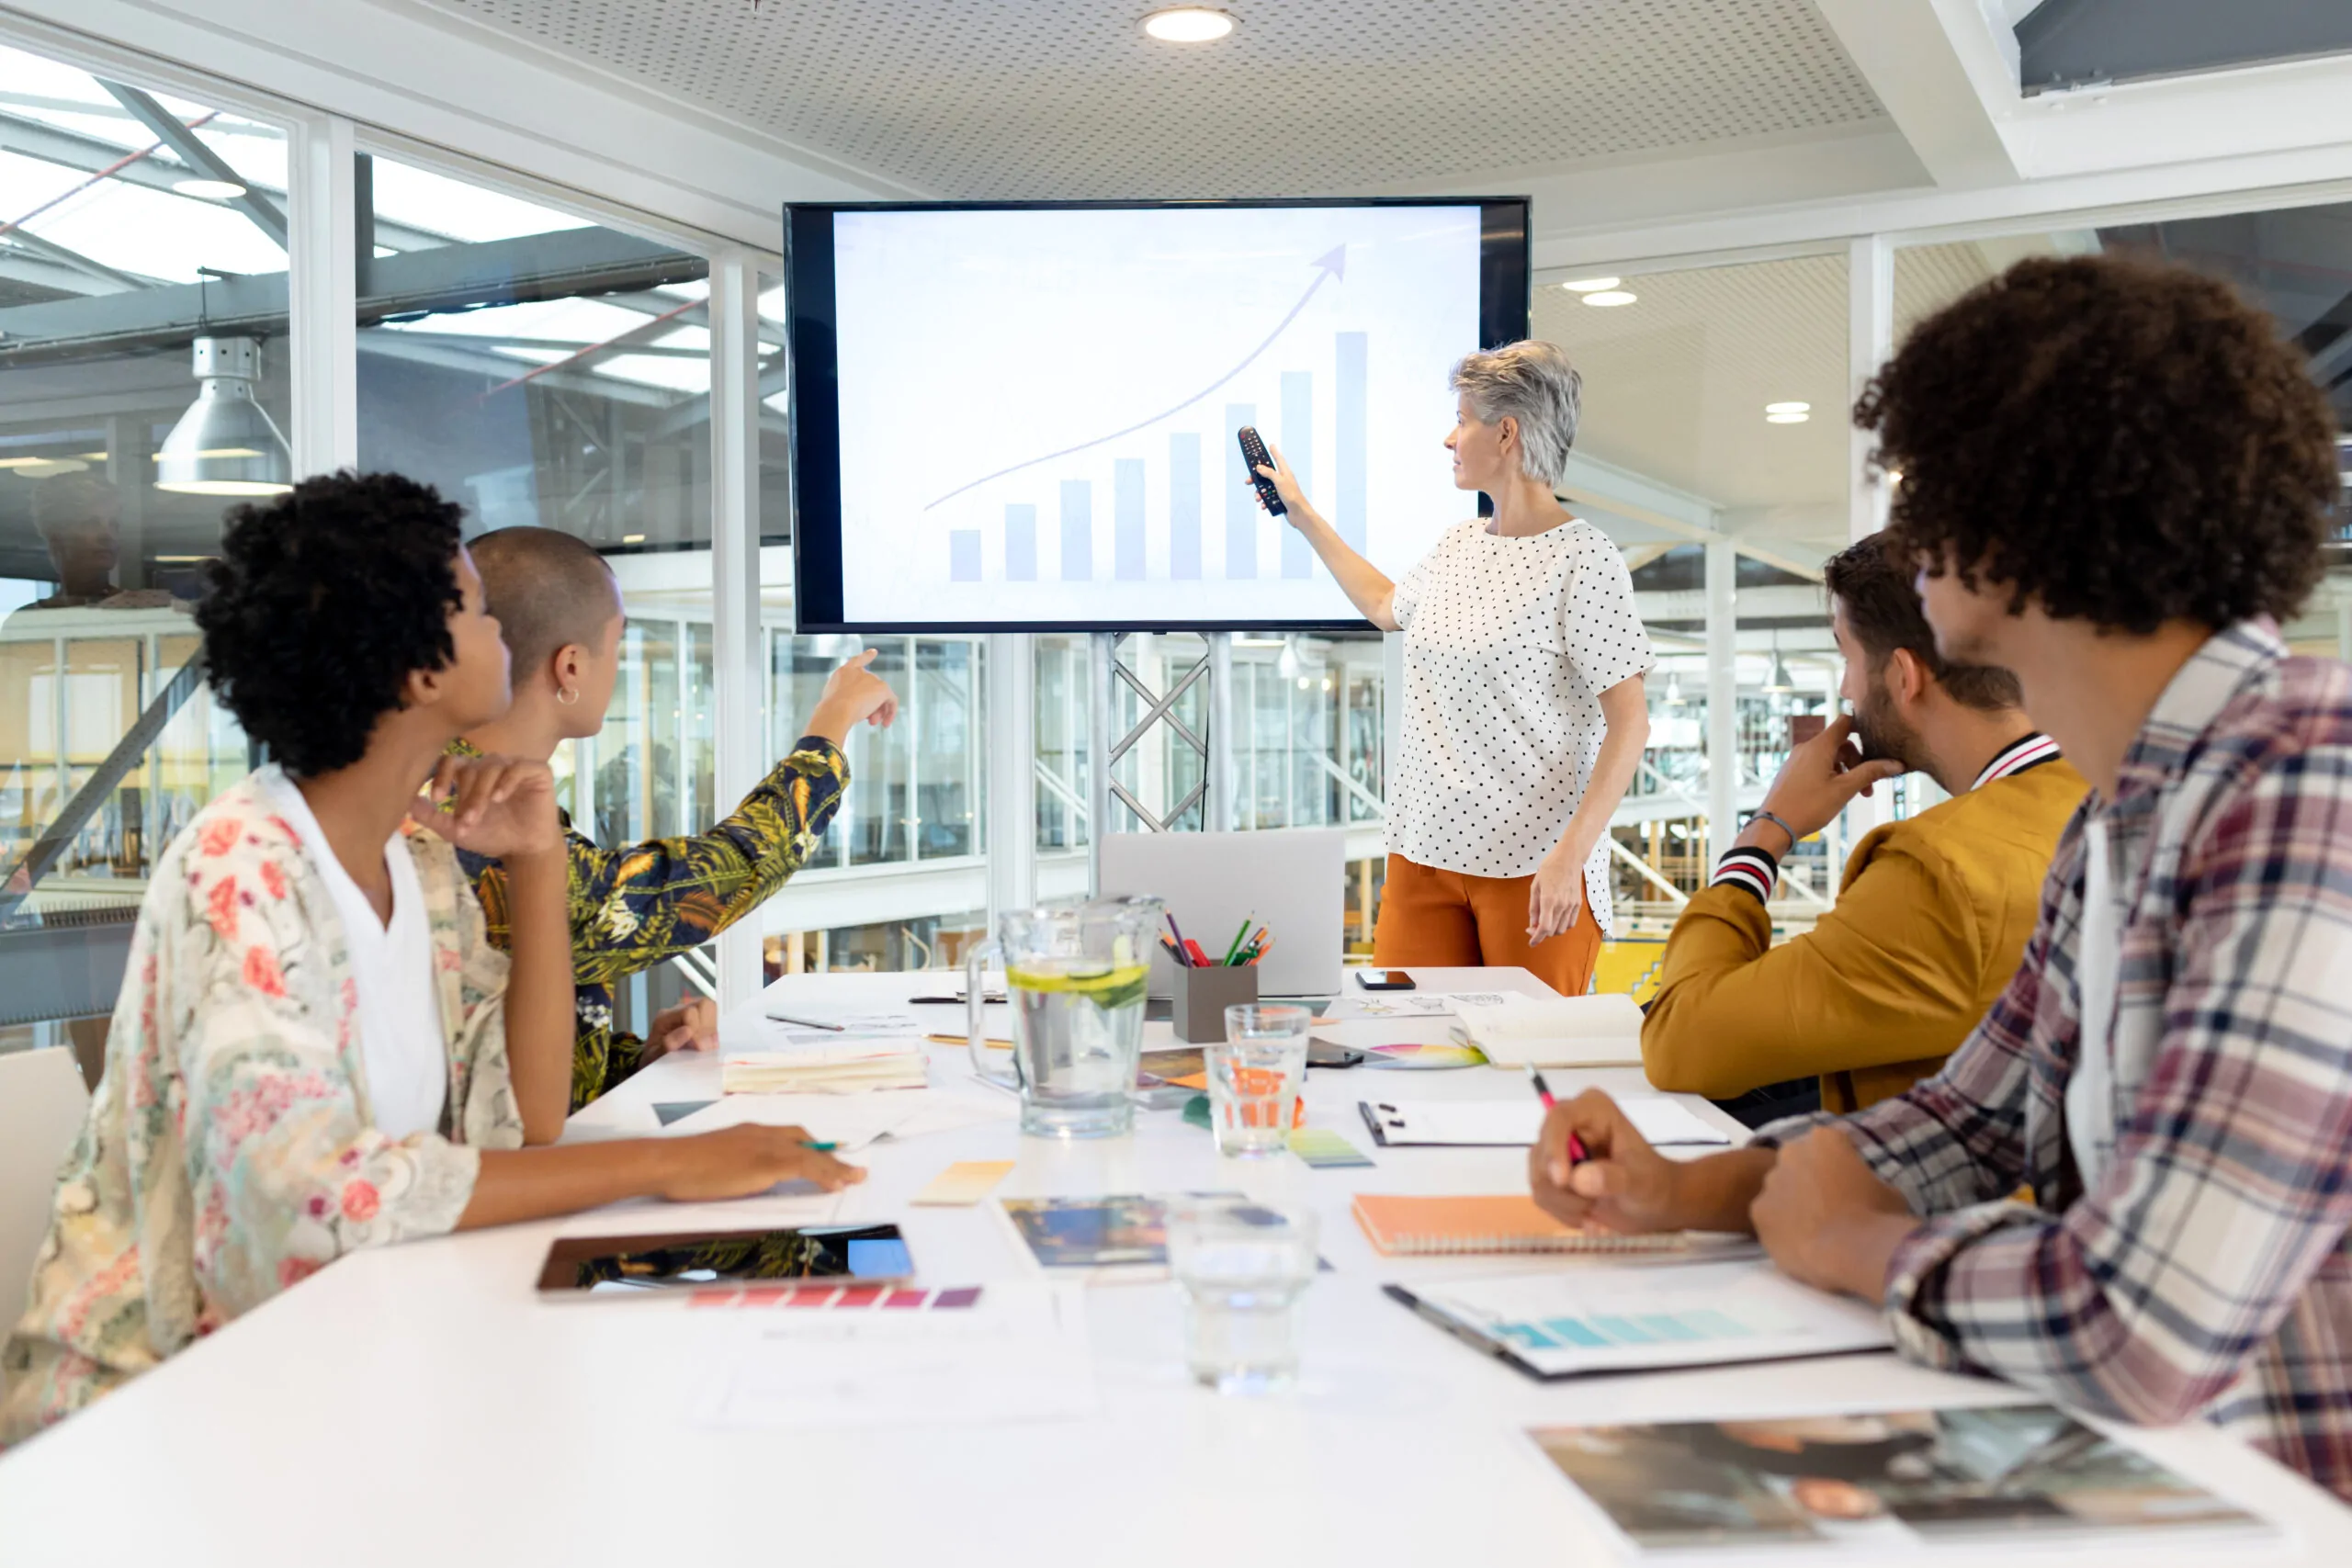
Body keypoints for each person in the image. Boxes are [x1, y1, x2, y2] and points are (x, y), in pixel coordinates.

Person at [1529, 255, 2352, 1500]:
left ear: (2012, 531)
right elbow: (1968, 1122)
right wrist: (1683, 1188)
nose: (1910, 551)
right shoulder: (2123, 809)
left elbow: (2142, 1331)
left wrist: (1864, 1249)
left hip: (2271, 1505)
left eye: (1929, 500)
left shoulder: (2302, 786)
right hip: (2158, 1480)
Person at [1, 473, 863, 1445]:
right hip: (154, 1418)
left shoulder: (420, 863)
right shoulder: (239, 871)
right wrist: (669, 1164)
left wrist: (537, 859)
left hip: (352, 1367)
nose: (501, 632)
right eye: (477, 610)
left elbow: (527, 1116)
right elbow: (322, 1198)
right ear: (419, 671)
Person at [1643, 533, 2086, 1121]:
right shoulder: (2102, 793)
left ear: (1904, 675)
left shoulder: (1941, 870)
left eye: (1847, 658)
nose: (1846, 690)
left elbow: (1681, 1040)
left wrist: (1765, 833)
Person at [452, 525, 898, 1109]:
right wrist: (830, 725)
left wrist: (635, 1060)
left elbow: (512, 1050)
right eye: (617, 645)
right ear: (571, 666)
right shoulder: (467, 814)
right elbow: (690, 885)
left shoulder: (486, 790)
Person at [1254, 340, 1649, 996]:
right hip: (1422, 857)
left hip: (1535, 867)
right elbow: (1385, 605)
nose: (1449, 438)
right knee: (1407, 1043)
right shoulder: (1456, 544)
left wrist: (1572, 855)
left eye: (1461, 419)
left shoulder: (1585, 559)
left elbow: (1630, 725)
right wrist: (1301, 515)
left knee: (1524, 1054)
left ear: (1507, 433)